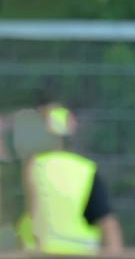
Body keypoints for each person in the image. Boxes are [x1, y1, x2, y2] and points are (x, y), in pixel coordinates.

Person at [11, 103, 124, 256]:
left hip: (37, 254)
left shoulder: (30, 168)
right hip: (81, 254)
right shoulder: (85, 170)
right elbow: (109, 225)